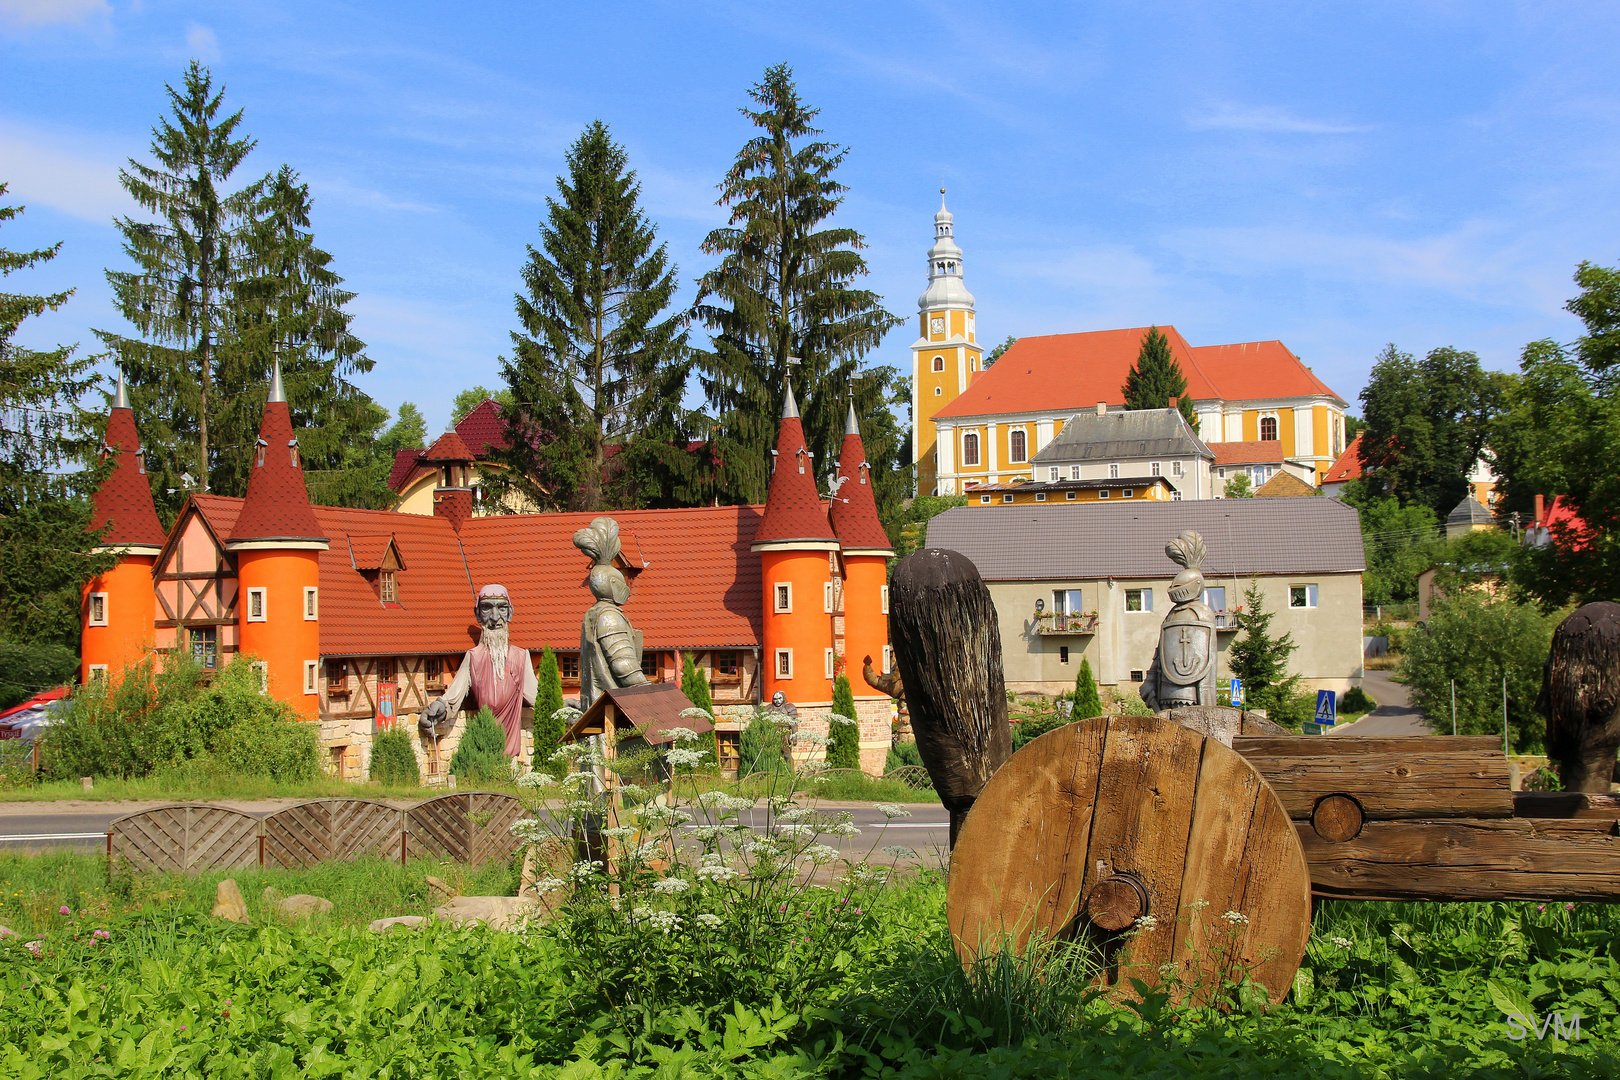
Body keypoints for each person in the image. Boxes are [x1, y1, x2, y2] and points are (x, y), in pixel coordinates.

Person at [421, 584, 537, 759]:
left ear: (510, 612)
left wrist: (562, 708)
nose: (495, 617)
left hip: (511, 748)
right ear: (477, 614)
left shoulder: (521, 656)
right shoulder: (473, 657)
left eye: (502, 608)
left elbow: (538, 695)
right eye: (486, 608)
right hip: (482, 743)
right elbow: (454, 695)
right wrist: (439, 708)